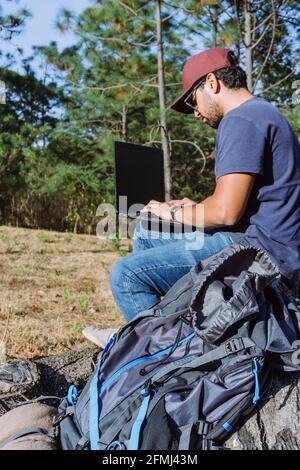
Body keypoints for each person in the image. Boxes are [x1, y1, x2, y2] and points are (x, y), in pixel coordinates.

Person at [83, 47, 300, 347]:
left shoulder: (240, 120)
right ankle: (169, 324)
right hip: (261, 243)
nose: (195, 111)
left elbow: (226, 212)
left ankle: (161, 351)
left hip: (260, 256)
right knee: (147, 232)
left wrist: (172, 214)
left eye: (191, 99)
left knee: (126, 276)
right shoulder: (262, 113)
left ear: (212, 82)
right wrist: (190, 208)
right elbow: (242, 203)